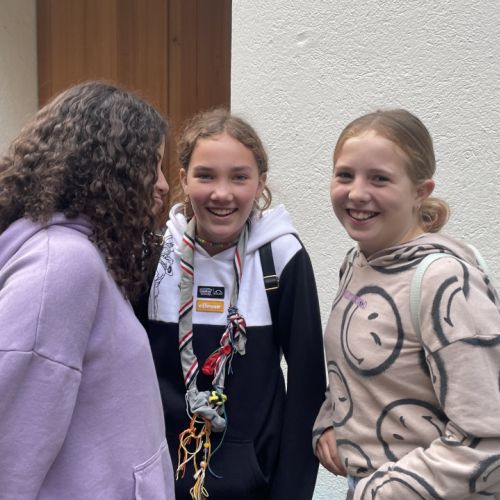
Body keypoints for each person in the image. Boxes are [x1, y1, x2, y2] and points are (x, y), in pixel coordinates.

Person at [0, 81, 175, 499]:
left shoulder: (85, 255)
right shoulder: (63, 264)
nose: (164, 184)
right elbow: (12, 443)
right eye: (152, 165)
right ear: (110, 169)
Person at [313, 108, 500, 499]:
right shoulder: (358, 262)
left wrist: (375, 492)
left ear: (420, 191)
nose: (356, 193)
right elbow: (358, 370)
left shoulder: (445, 281)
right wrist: (329, 421)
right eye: (345, 175)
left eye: (379, 178)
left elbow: (489, 441)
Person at [146, 108, 326, 500]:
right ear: (184, 179)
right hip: (158, 482)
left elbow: (308, 387)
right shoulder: (157, 255)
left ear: (261, 183)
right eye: (205, 175)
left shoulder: (281, 257)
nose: (222, 193)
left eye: (239, 177)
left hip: (253, 484)